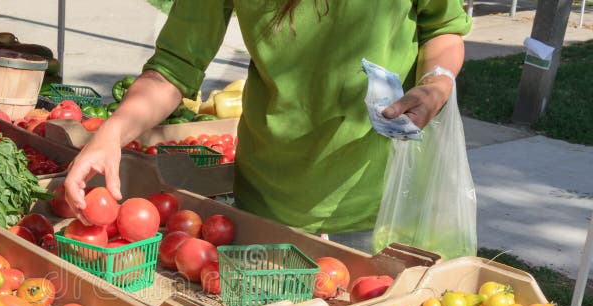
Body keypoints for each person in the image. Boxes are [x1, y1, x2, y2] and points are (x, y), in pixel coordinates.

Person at [64, 1, 471, 250]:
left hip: (379, 201)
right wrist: (114, 131)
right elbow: (175, 66)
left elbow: (443, 29)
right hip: (268, 204)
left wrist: (437, 83)